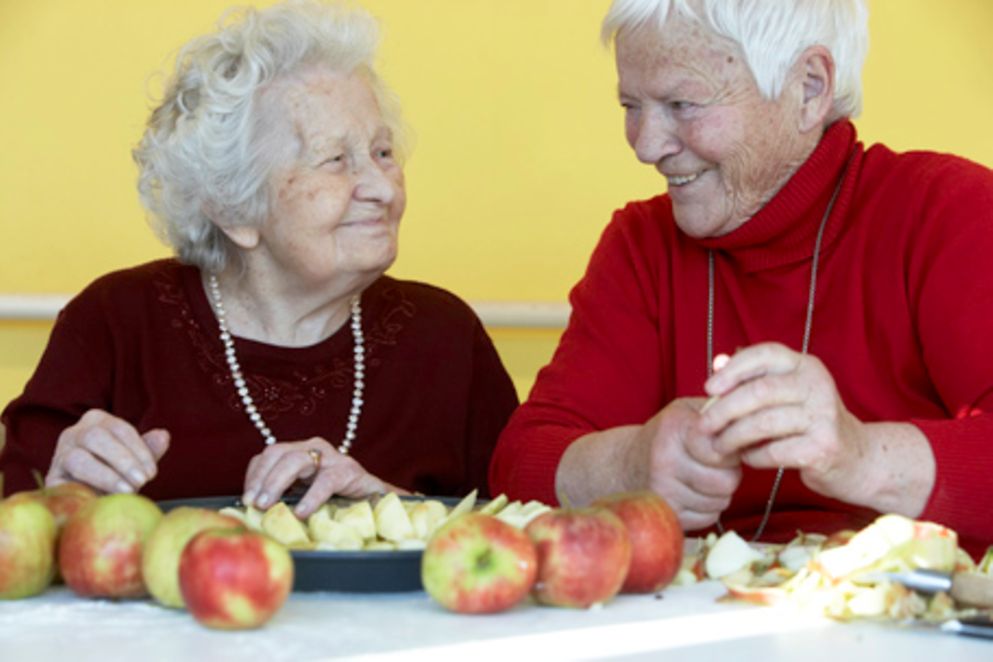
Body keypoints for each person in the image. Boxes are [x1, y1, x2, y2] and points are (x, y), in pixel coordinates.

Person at [489, 0, 993, 557]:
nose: (645, 145)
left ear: (808, 87)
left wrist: (863, 457)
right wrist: (630, 463)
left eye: (682, 103)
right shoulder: (641, 244)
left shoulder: (950, 210)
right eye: (632, 105)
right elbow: (519, 461)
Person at [0, 0, 518, 519]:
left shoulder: (444, 339)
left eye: (383, 153)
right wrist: (56, 492)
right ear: (234, 207)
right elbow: (16, 531)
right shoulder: (116, 323)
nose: (383, 187)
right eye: (335, 161)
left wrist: (392, 509)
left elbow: (519, 534)